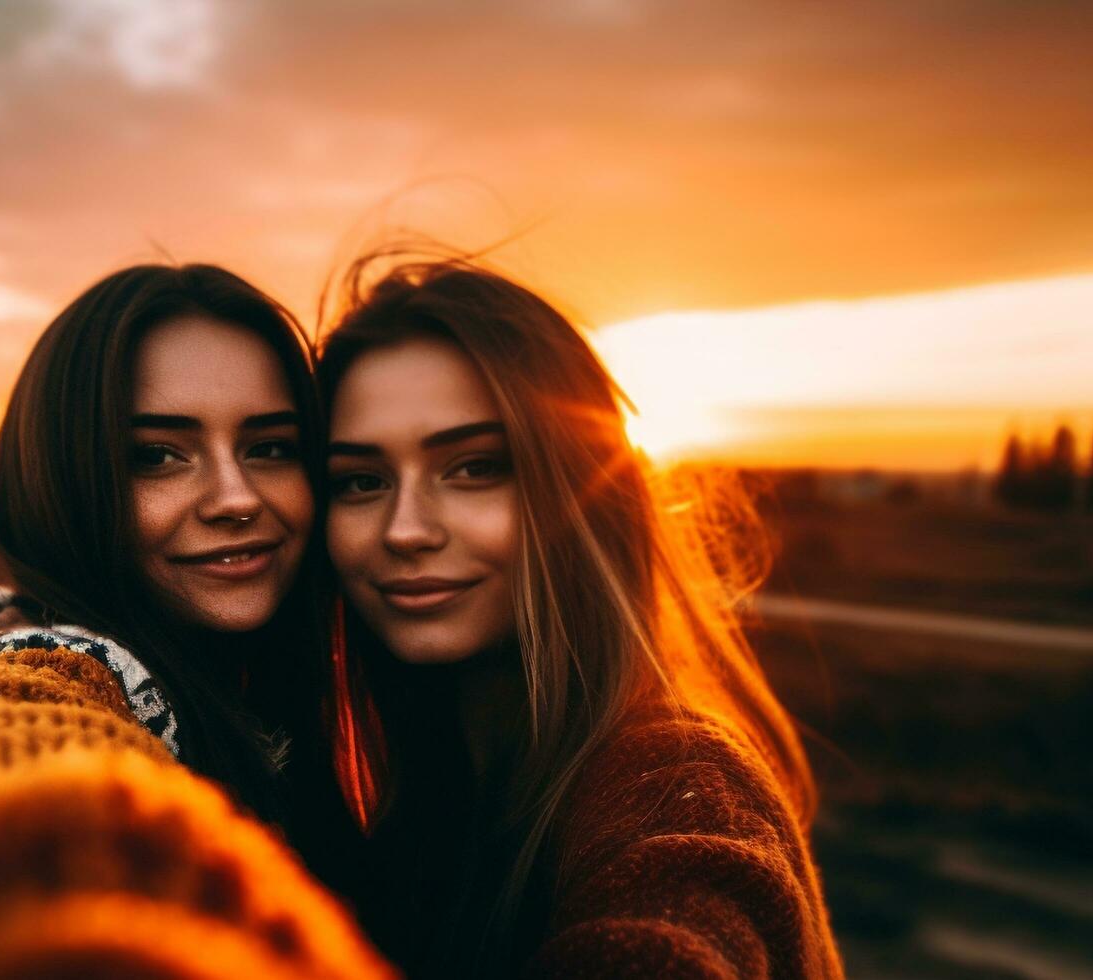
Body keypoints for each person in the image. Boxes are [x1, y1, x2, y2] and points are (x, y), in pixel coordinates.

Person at [0, 264, 387, 979]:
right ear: (61, 478)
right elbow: (3, 777)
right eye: (156, 456)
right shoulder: (42, 668)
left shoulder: (278, 679)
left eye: (269, 447)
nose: (235, 498)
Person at [318, 256, 843, 978]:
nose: (404, 529)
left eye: (473, 467)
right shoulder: (415, 788)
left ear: (581, 497)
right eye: (360, 481)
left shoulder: (673, 783)